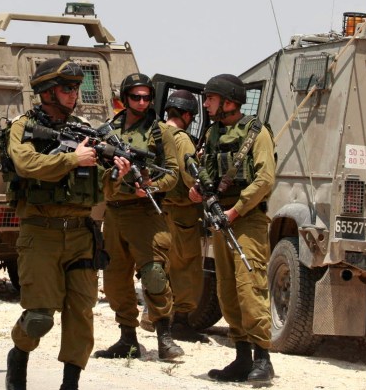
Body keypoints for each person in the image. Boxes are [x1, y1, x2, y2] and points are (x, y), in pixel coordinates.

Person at [3, 59, 109, 390]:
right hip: (41, 233)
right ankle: (18, 355)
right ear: (47, 92)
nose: (74, 94)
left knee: (81, 316)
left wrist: (118, 173)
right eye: (67, 88)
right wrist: (71, 159)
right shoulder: (23, 125)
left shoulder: (85, 129)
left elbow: (98, 182)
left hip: (81, 232)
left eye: (77, 88)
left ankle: (70, 384)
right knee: (38, 318)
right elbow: (24, 163)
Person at [188, 74, 276, 385]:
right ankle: (241, 357)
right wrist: (197, 193)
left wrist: (237, 210)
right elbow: (205, 176)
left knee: (250, 287)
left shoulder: (256, 132)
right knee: (227, 290)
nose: (206, 104)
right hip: (220, 219)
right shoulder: (212, 134)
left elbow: (265, 179)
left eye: (210, 98)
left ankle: (263, 359)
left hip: (246, 219)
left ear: (228, 101)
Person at [94, 73, 185, 361]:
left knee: (155, 276)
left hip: (147, 213)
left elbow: (172, 173)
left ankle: (164, 337)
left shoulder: (161, 133)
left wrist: (152, 186)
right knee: (115, 281)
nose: (142, 102)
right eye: (136, 97)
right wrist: (115, 175)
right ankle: (127, 339)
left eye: (147, 97)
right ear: (125, 97)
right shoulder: (107, 131)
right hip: (116, 213)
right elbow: (97, 176)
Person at [160, 90, 211, 344]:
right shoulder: (183, 141)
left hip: (156, 210)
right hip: (182, 212)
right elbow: (193, 178)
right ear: (188, 115)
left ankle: (155, 316)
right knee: (186, 266)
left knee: (161, 264)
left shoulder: (154, 133)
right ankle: (180, 321)